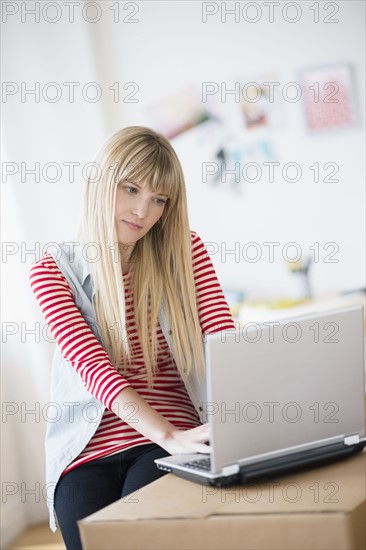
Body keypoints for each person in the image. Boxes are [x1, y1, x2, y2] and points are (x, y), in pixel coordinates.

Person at [30, 126, 235, 550]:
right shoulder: (52, 271)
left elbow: (223, 343)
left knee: (135, 538)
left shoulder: (186, 251)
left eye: (160, 199)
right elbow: (93, 368)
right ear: (102, 181)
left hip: (171, 436)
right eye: (131, 189)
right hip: (86, 451)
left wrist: (184, 436)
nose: (144, 211)